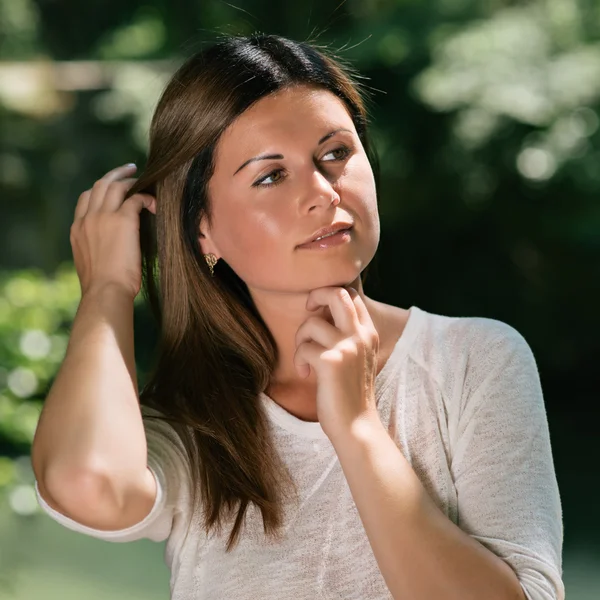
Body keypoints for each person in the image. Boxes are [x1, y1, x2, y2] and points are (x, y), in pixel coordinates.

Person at [30, 33, 564, 600]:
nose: (323, 194)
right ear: (201, 229)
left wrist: (357, 428)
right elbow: (86, 482)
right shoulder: (195, 421)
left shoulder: (474, 362)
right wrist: (107, 289)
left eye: (335, 154)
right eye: (270, 175)